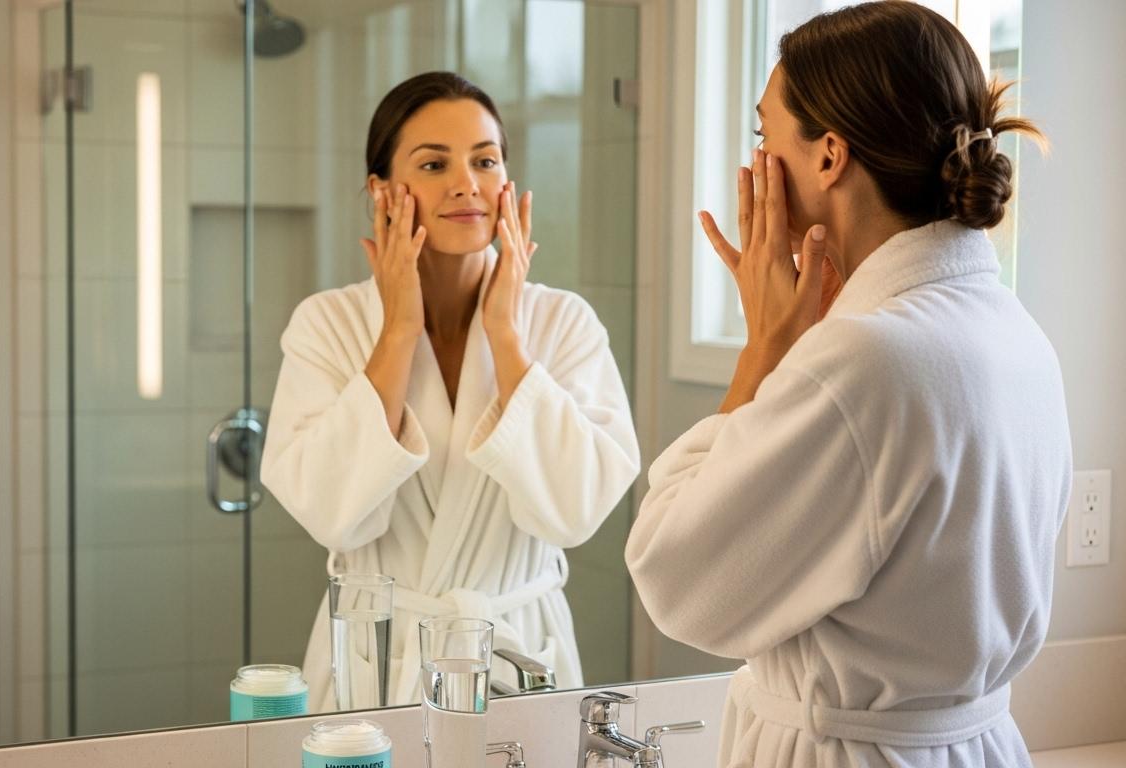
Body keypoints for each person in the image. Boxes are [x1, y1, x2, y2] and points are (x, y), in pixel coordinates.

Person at [625, 3, 1071, 766]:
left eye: (764, 136)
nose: (755, 162)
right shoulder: (1014, 332)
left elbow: (673, 575)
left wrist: (764, 350)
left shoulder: (866, 360)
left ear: (829, 156)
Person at [263, 71, 640, 710]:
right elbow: (329, 511)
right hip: (376, 659)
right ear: (382, 191)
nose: (467, 183)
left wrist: (504, 335)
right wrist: (399, 331)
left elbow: (579, 509)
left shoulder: (561, 321)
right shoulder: (328, 324)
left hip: (518, 653)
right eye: (434, 163)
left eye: (485, 160)